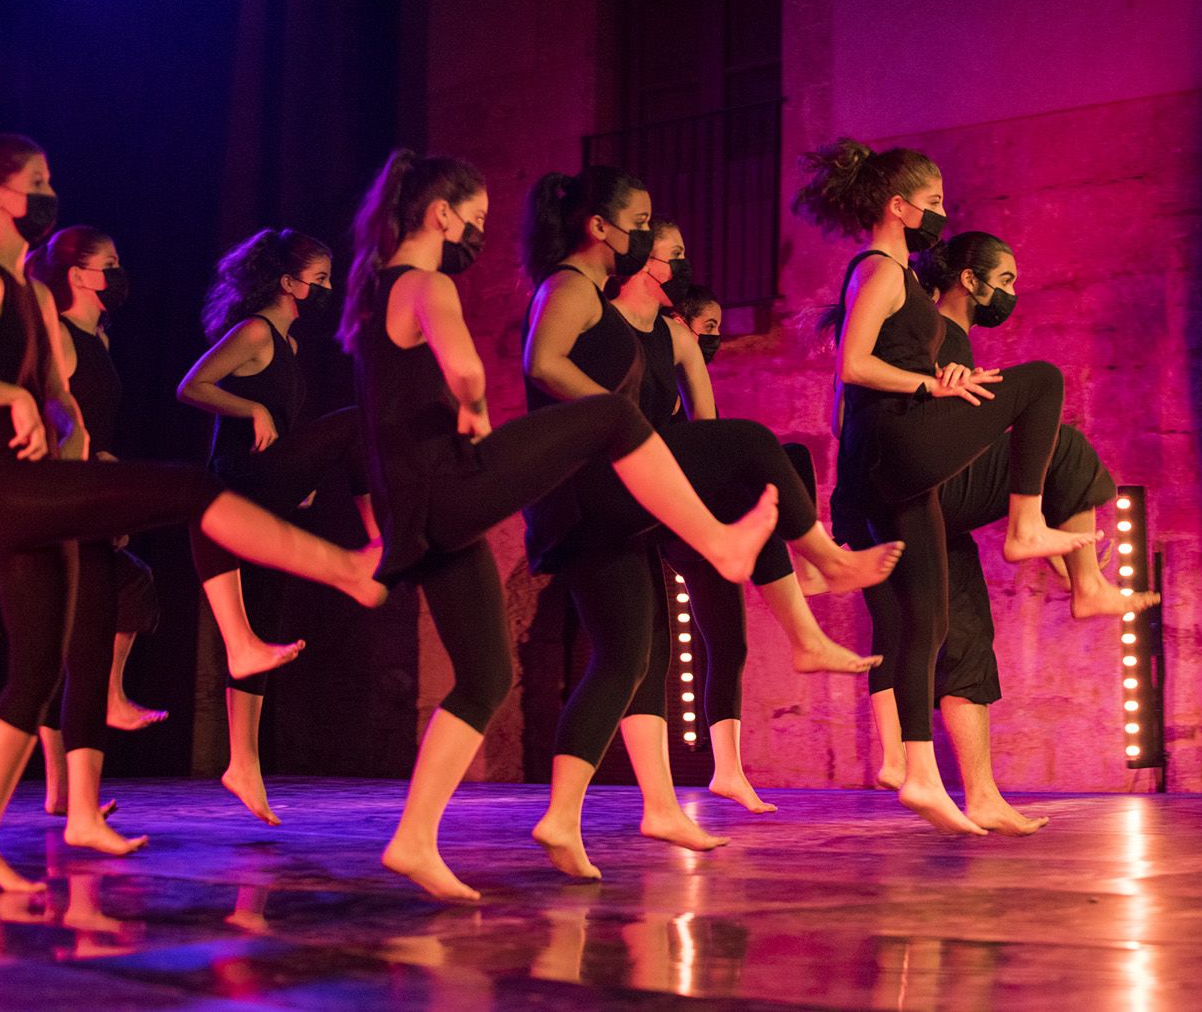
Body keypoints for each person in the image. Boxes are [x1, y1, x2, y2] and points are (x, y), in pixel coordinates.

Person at [341, 148, 784, 900]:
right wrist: (474, 401)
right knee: (610, 413)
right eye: (474, 218)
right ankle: (716, 540)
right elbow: (466, 367)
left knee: (486, 676)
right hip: (447, 487)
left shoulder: (375, 290)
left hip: (414, 506)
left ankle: (414, 839)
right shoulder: (426, 282)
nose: (479, 232)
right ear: (440, 215)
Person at [0, 132, 386, 892]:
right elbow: (17, 392)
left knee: (40, 669)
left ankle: (36, 826)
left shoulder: (32, 293)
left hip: (46, 487)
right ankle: (346, 567)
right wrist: (8, 399)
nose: (46, 190)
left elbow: (62, 404)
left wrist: (81, 454)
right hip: (0, 485)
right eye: (34, 179)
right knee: (195, 492)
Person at [521, 166, 902, 869]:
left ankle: (582, 816)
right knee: (757, 445)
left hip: (617, 497)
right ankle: (824, 567)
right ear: (600, 227)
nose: (646, 234)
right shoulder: (569, 287)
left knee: (632, 657)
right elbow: (541, 362)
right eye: (638, 222)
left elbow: (680, 414)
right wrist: (625, 424)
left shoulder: (633, 316)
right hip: (586, 487)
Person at [794, 137, 1095, 834]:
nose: (941, 213)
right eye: (932, 203)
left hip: (901, 449)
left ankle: (926, 778)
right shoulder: (879, 270)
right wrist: (930, 382)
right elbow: (853, 369)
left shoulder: (898, 281)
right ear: (898, 208)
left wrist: (945, 383)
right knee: (1043, 382)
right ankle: (1026, 524)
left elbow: (883, 372)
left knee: (925, 619)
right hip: (891, 449)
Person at [839, 230, 1160, 832]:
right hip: (913, 490)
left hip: (924, 503)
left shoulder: (939, 333)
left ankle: (982, 794)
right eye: (1005, 280)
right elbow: (881, 403)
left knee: (963, 638)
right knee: (1064, 443)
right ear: (968, 278)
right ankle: (1074, 572)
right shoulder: (926, 325)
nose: (1012, 292)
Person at [177, 228, 379, 825]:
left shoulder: (286, 344)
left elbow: (283, 428)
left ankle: (243, 764)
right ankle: (376, 540)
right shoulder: (257, 332)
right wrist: (254, 408)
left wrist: (302, 469)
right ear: (288, 283)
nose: (327, 290)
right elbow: (191, 385)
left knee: (260, 635)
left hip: (272, 486)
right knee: (352, 424)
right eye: (318, 281)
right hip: (241, 484)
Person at [25, 225, 164, 851]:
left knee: (71, 646)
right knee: (79, 649)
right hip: (66, 500)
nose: (117, 273)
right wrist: (90, 476)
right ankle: (80, 808)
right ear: (77, 274)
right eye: (107, 264)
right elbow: (54, 412)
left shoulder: (97, 336)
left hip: (89, 496)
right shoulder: (57, 331)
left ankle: (68, 796)